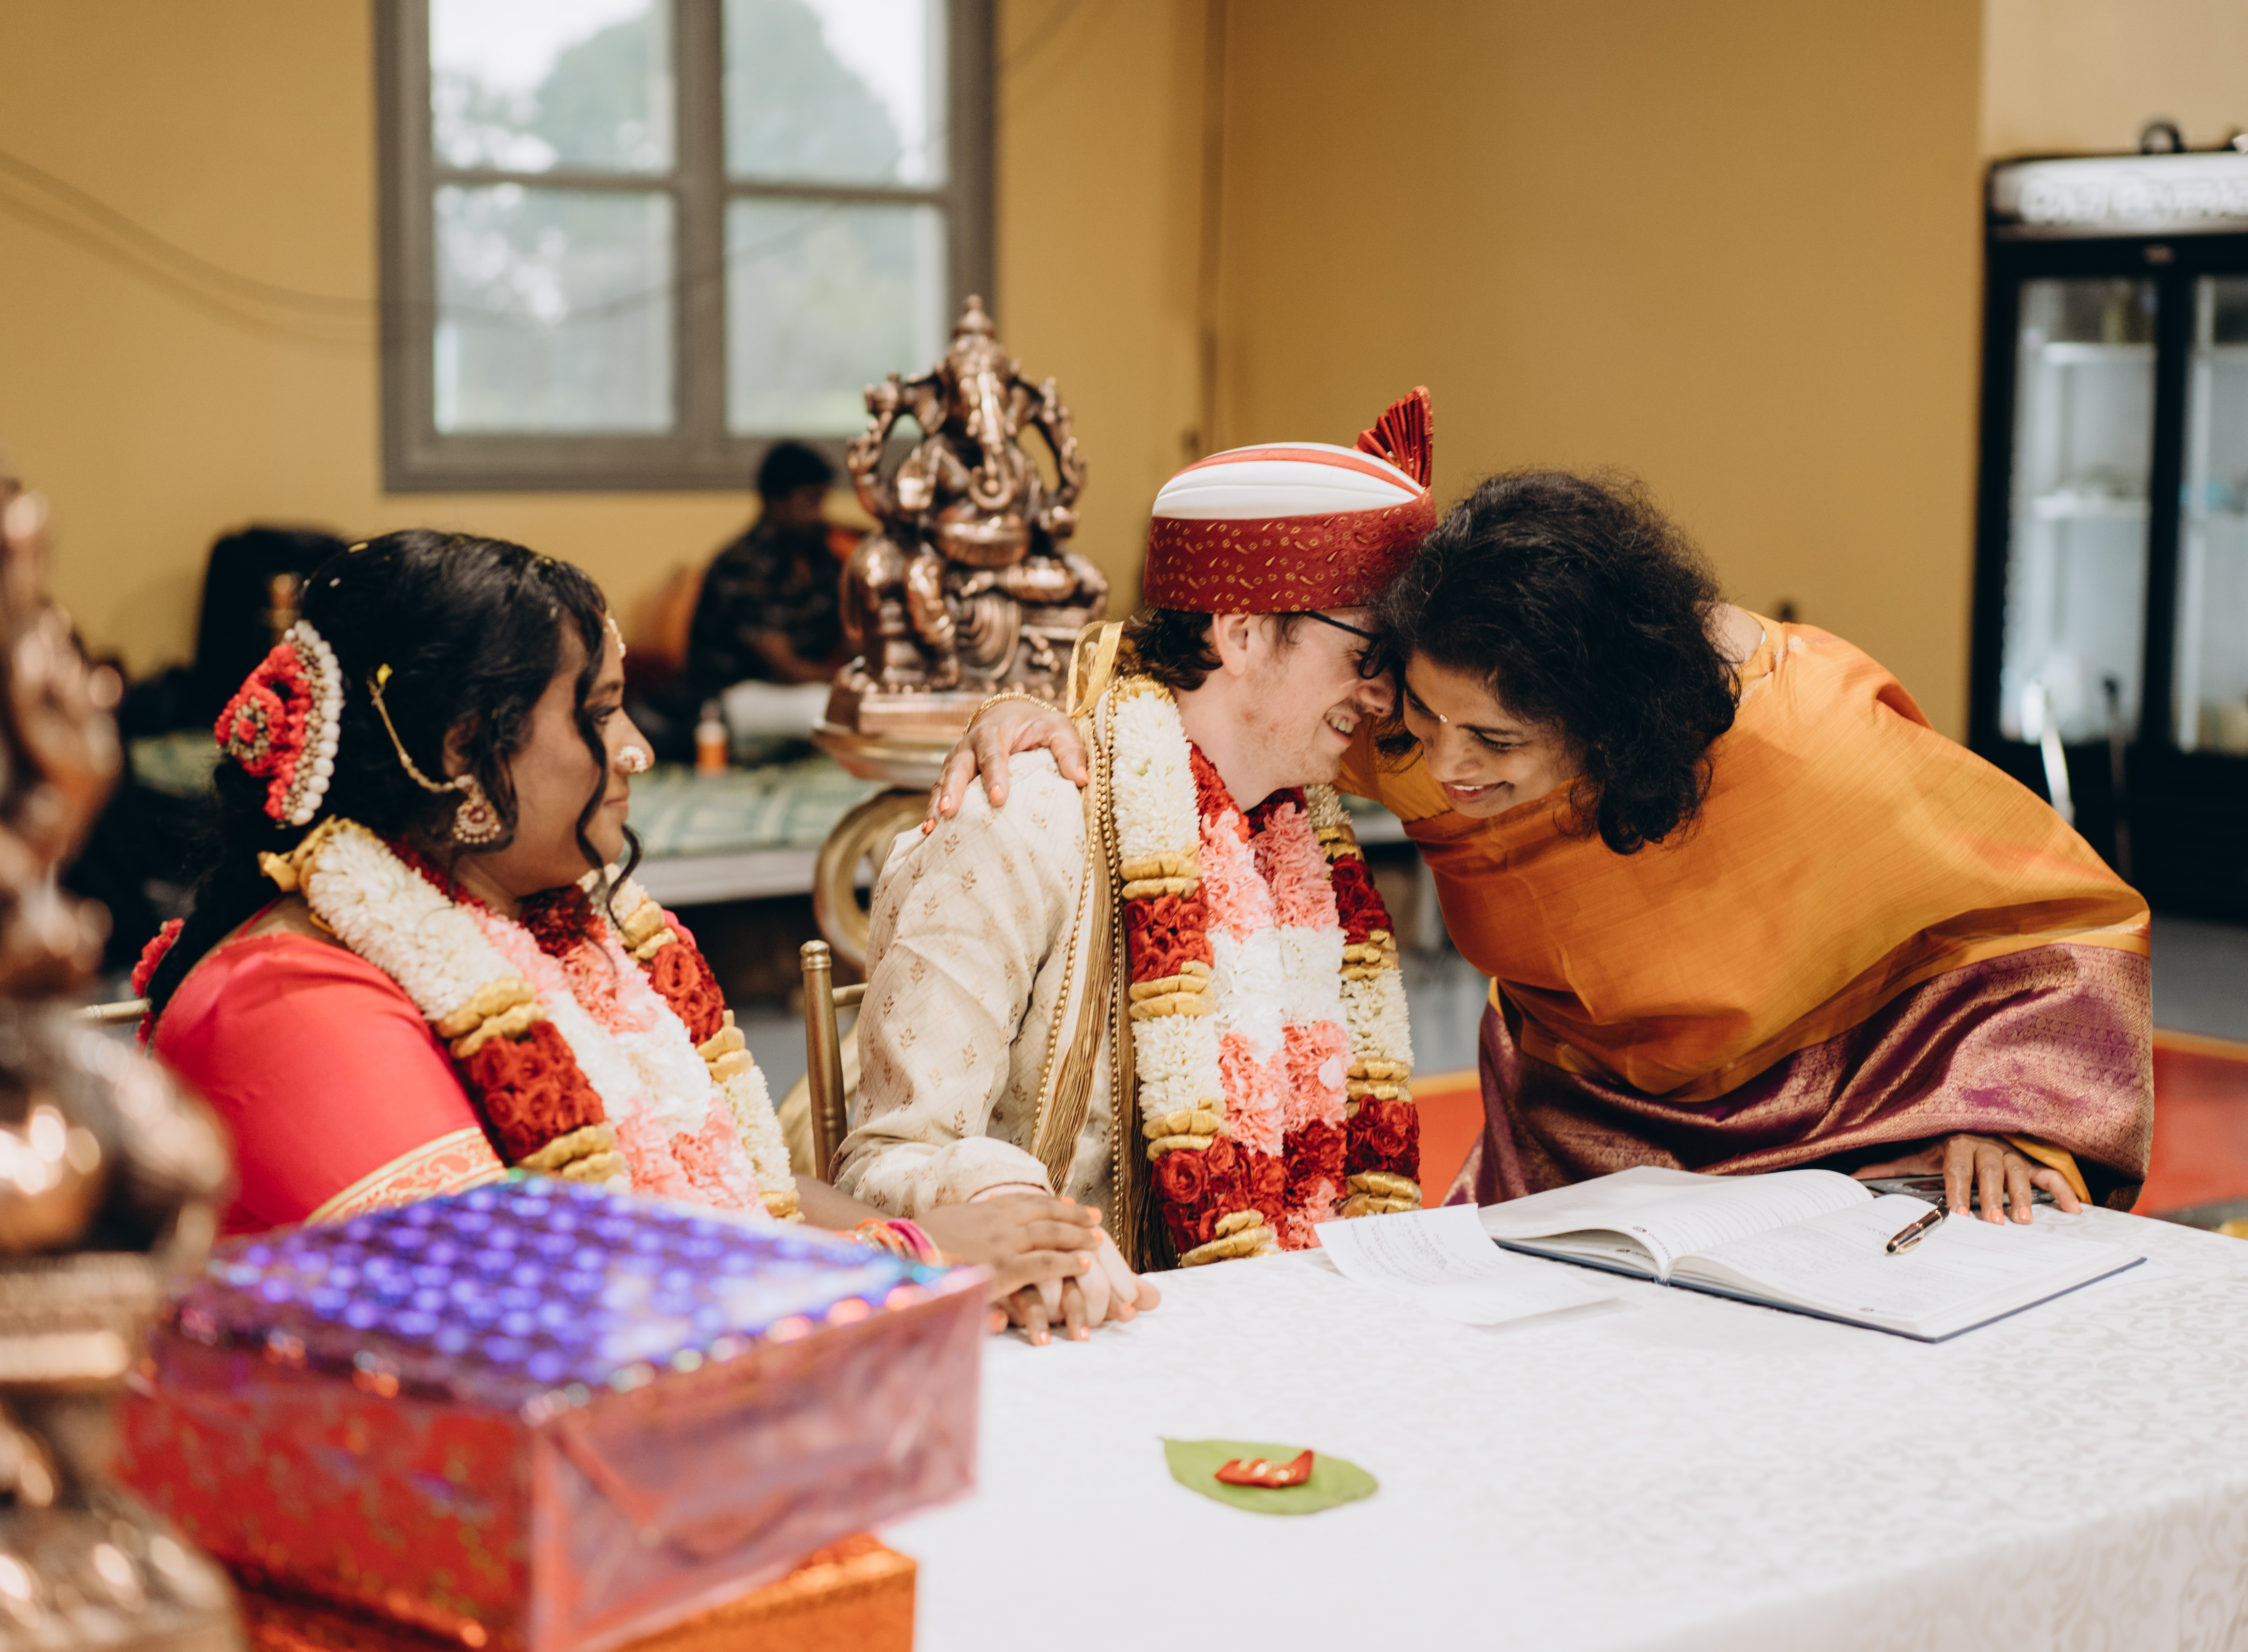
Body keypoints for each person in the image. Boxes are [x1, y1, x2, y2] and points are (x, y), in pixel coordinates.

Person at [939, 469, 2155, 1221]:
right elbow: (1205, 671)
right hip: (1574, 1137)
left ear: (1611, 729)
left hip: (1842, 1132)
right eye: (1424, 722)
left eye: (1496, 741)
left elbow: (2054, 916)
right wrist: (1042, 704)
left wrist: (2001, 1106)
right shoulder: (1410, 723)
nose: (1443, 770)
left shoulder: (1807, 743)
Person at [135, 530, 1114, 1340]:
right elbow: (526, 1317)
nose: (638, 748)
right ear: (462, 752)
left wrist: (986, 1250)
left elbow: (740, 1198)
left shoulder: (554, 928)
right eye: (601, 713)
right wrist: (916, 1263)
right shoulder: (288, 1001)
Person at [837, 392, 1436, 1275]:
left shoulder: (1305, 837)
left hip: (1290, 1311)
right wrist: (1016, 1217)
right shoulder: (1026, 819)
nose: (1384, 696)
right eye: (1368, 654)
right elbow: (883, 1165)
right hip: (1074, 1321)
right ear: (1241, 632)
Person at [685, 440, 849, 697]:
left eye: (821, 501)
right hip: (730, 695)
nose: (818, 515)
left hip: (797, 691)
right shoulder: (741, 565)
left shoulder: (822, 557)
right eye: (809, 502)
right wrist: (852, 681)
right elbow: (786, 669)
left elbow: (850, 639)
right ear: (775, 503)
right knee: (825, 705)